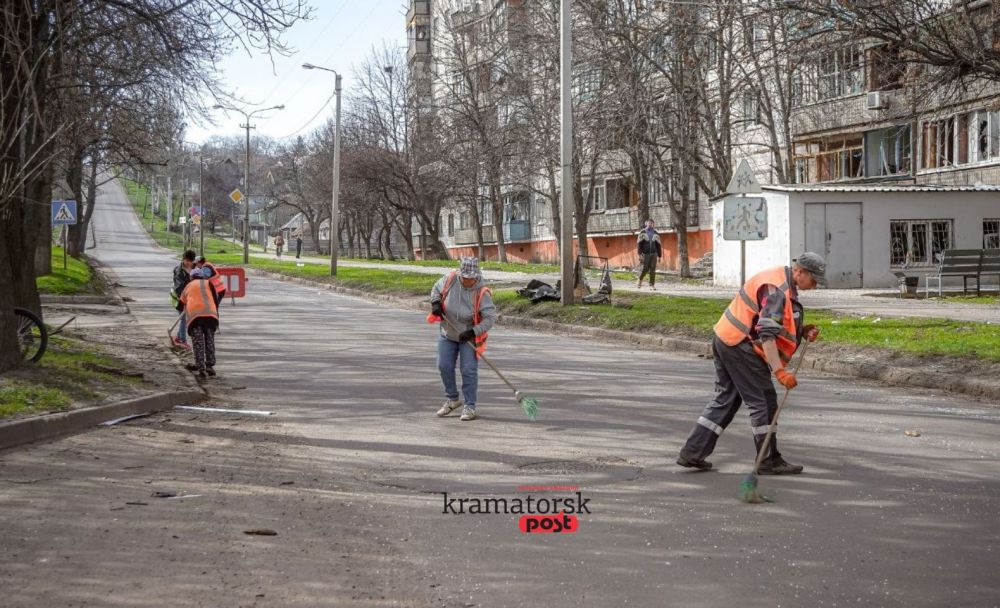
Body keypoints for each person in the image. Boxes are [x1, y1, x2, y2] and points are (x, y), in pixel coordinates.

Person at [676, 253, 826, 475]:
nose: (815, 286)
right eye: (814, 280)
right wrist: (780, 372)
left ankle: (693, 452)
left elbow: (772, 323)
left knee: (726, 399)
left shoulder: (780, 281)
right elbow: (766, 334)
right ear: (800, 271)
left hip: (726, 337)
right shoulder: (777, 289)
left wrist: (801, 331)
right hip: (740, 345)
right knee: (763, 401)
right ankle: (768, 460)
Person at [428, 257, 497, 421]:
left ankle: (470, 406)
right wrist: (435, 303)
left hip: (468, 336)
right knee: (443, 365)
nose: (467, 280)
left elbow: (489, 319)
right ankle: (452, 399)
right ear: (460, 274)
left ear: (476, 275)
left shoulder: (482, 292)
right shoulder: (450, 280)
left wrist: (473, 332)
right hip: (448, 333)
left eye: (471, 277)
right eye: (465, 277)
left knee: (468, 370)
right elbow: (435, 290)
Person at [179, 268, 220, 378]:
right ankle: (210, 366)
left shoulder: (188, 286)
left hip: (195, 318)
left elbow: (181, 302)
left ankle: (201, 368)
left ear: (191, 277)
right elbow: (216, 300)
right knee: (209, 341)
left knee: (198, 343)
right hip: (210, 316)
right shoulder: (209, 283)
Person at [170, 250, 196, 350]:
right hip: (178, 298)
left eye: (191, 261)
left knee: (184, 318)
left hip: (190, 298)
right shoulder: (179, 271)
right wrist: (185, 299)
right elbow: (179, 288)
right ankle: (182, 340)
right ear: (183, 259)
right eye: (187, 260)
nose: (188, 263)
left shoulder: (194, 268)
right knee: (183, 318)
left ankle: (179, 336)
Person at [636, 219, 662, 290]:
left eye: (652, 223)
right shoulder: (642, 232)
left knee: (652, 270)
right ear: (646, 223)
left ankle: (652, 285)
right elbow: (639, 244)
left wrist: (659, 256)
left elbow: (658, 245)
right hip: (645, 254)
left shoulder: (656, 233)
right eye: (649, 223)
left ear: (653, 224)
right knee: (645, 269)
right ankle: (639, 280)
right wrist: (639, 254)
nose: (650, 224)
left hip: (654, 254)